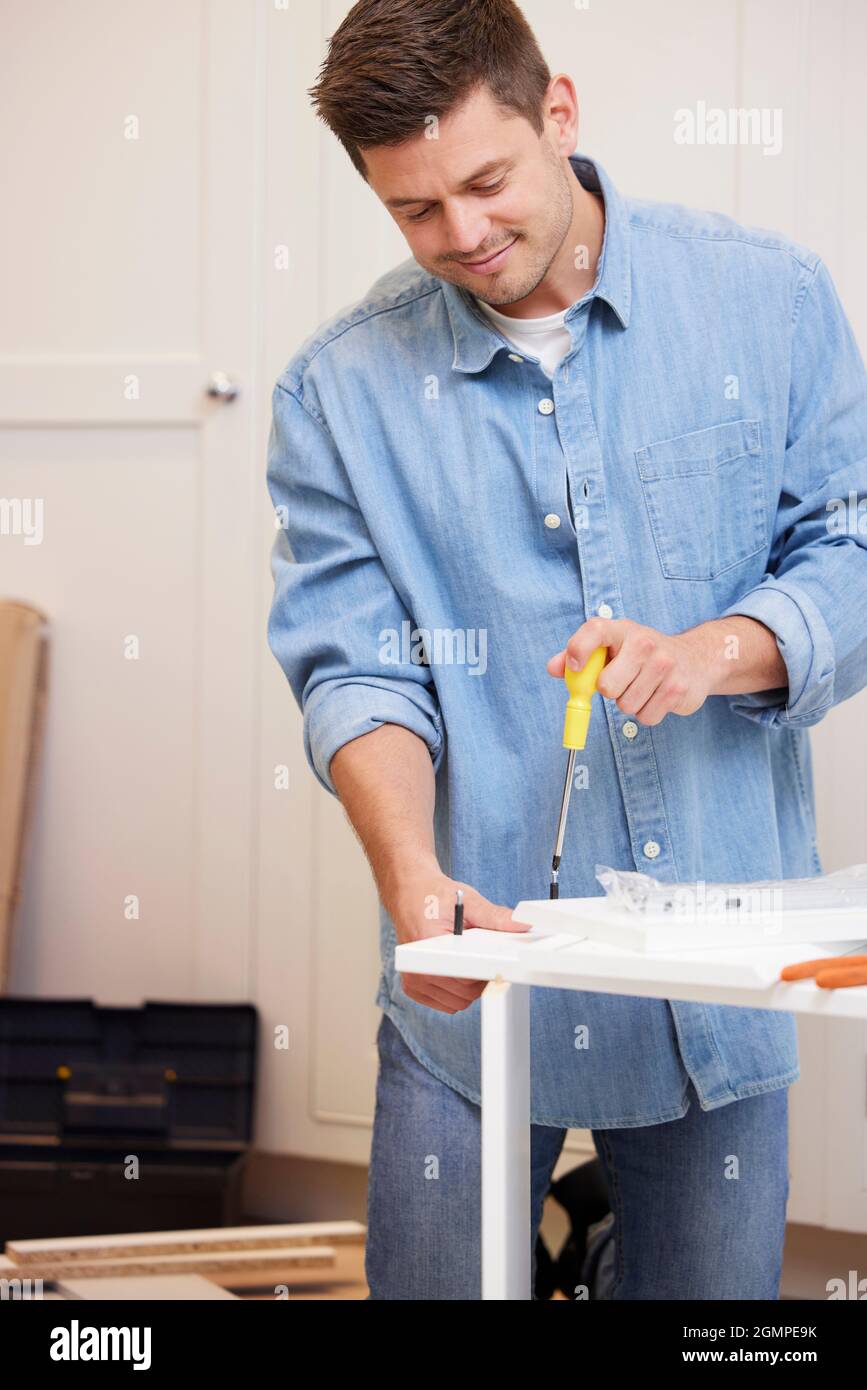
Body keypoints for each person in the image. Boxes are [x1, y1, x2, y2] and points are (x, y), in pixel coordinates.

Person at [266, 0, 867, 1299]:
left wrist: (721, 647)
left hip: (717, 989)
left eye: (486, 183)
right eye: (416, 212)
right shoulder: (340, 390)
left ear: (561, 114)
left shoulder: (766, 302)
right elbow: (354, 667)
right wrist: (412, 873)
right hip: (470, 984)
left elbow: (856, 547)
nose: (464, 238)